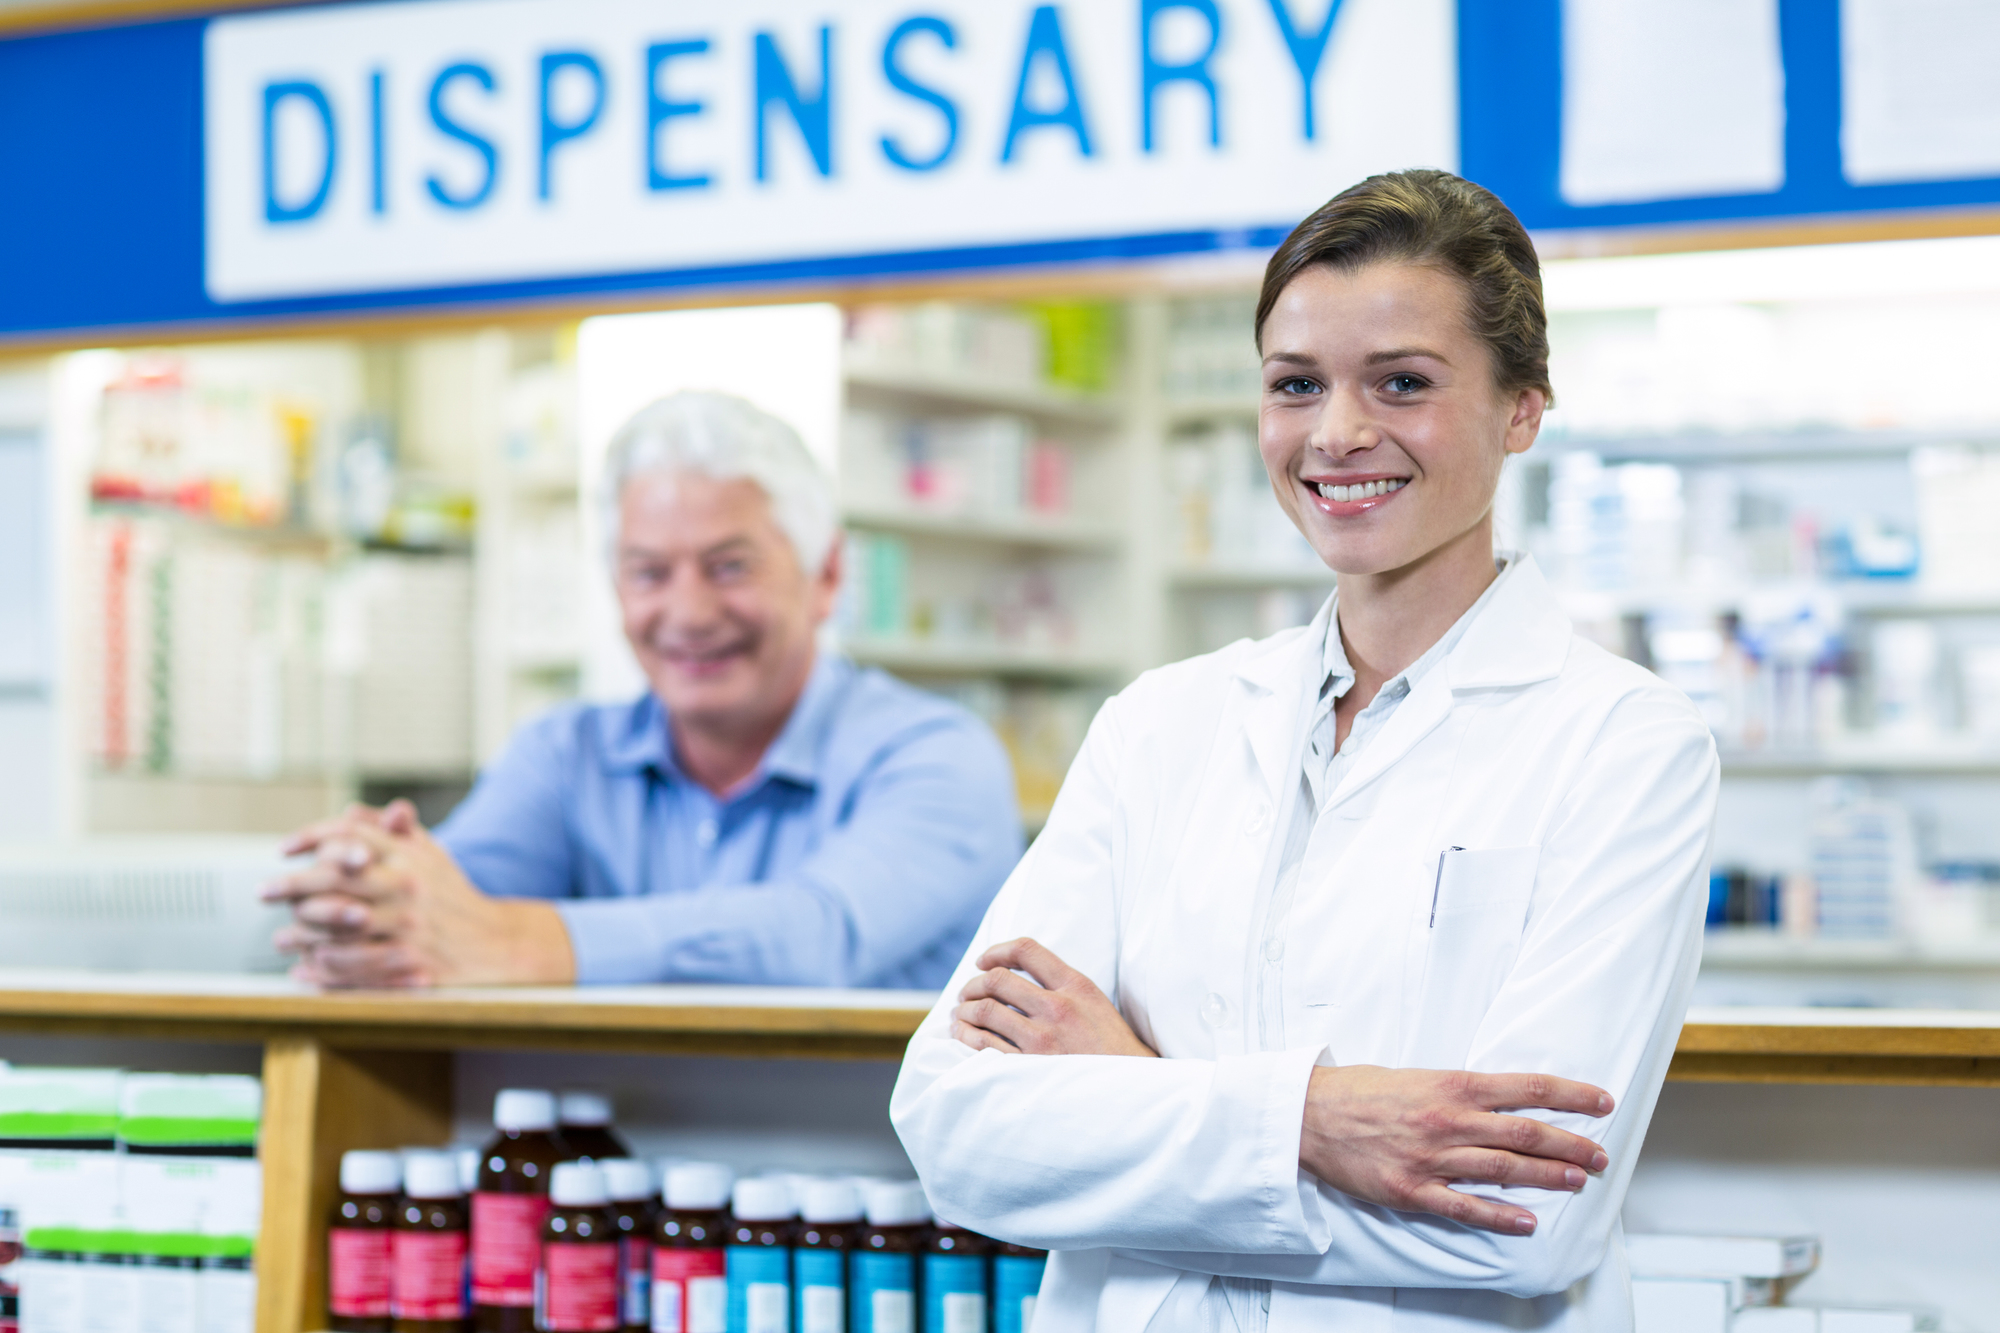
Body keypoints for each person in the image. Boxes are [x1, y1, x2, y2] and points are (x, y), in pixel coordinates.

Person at [890, 170, 1720, 1331]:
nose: (1336, 433)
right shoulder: (1157, 726)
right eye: (1294, 385)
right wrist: (1315, 1124)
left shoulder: (1623, 745)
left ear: (1521, 406)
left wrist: (1134, 1095)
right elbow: (960, 1137)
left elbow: (1519, 1221)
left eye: (1402, 382)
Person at [266, 391, 1023, 989]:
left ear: (825, 576)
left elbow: (820, 935)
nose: (689, 613)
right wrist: (369, 893)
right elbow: (447, 907)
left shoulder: (937, 757)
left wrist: (518, 942)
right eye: (649, 573)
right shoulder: (564, 754)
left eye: (729, 567)